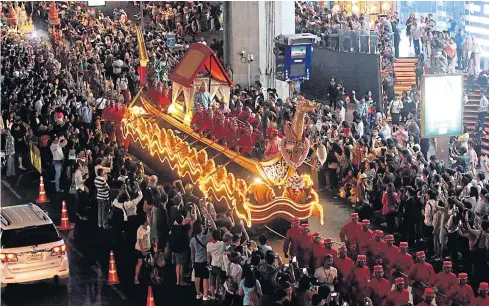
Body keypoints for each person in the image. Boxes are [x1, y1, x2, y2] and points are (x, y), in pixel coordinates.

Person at [134, 216, 152, 284]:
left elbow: (149, 236)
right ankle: (136, 277)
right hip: (139, 249)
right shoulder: (140, 230)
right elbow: (140, 242)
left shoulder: (148, 227)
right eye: (147, 219)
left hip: (148, 247)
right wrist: (143, 251)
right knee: (140, 263)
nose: (149, 219)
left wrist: (152, 243)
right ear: (144, 222)